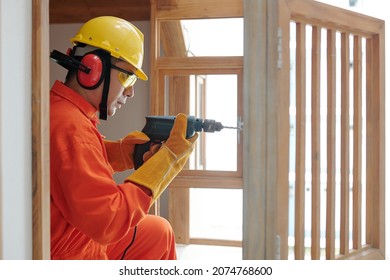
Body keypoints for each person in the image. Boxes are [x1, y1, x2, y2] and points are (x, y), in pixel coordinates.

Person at [49, 16, 198, 260]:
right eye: (127, 77)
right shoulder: (73, 129)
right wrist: (166, 162)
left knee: (159, 231)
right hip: (72, 252)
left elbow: (70, 166)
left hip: (72, 233)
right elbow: (110, 223)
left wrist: (123, 153)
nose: (129, 92)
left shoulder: (60, 110)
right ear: (92, 68)